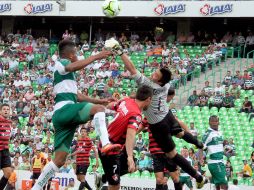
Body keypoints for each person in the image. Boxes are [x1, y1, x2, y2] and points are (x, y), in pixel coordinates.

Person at [105, 38, 207, 188]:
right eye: (155, 72)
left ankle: (198, 177)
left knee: (173, 155)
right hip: (168, 115)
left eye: (155, 75)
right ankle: (200, 144)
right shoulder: (166, 84)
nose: (153, 74)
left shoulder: (150, 85)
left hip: (158, 125)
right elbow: (165, 75)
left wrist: (121, 53)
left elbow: (132, 69)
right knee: (180, 134)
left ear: (159, 82)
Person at [32, 40, 121, 190]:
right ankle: (106, 143)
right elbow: (72, 66)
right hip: (64, 111)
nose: (78, 57)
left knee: (59, 161)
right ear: (71, 55)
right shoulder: (62, 63)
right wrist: (97, 56)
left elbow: (78, 96)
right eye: (77, 54)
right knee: (98, 110)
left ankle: (36, 189)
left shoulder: (67, 76)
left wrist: (102, 101)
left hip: (62, 116)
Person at [97, 85, 153, 190]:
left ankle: (104, 178)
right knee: (115, 185)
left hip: (108, 143)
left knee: (134, 167)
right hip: (110, 150)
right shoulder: (136, 114)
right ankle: (107, 179)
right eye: (151, 100)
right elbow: (130, 135)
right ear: (148, 99)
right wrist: (130, 157)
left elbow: (111, 105)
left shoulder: (126, 101)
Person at [202, 115, 228, 190]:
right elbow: (201, 146)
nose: (214, 123)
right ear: (209, 123)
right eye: (212, 121)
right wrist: (200, 158)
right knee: (224, 184)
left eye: (216, 121)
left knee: (217, 184)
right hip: (215, 162)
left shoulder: (219, 132)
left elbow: (219, 144)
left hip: (220, 161)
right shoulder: (208, 134)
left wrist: (224, 144)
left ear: (218, 122)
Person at [0, 103, 13, 190]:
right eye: (4, 109)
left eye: (7, 109)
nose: (6, 111)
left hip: (5, 150)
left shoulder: (9, 122)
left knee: (8, 173)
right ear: (0, 111)